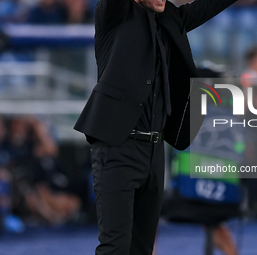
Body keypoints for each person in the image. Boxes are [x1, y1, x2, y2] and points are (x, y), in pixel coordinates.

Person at [74, 0, 238, 254]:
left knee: (143, 247)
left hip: (154, 150)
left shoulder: (170, 18)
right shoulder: (114, 13)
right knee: (115, 247)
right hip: (117, 148)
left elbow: (207, 5)